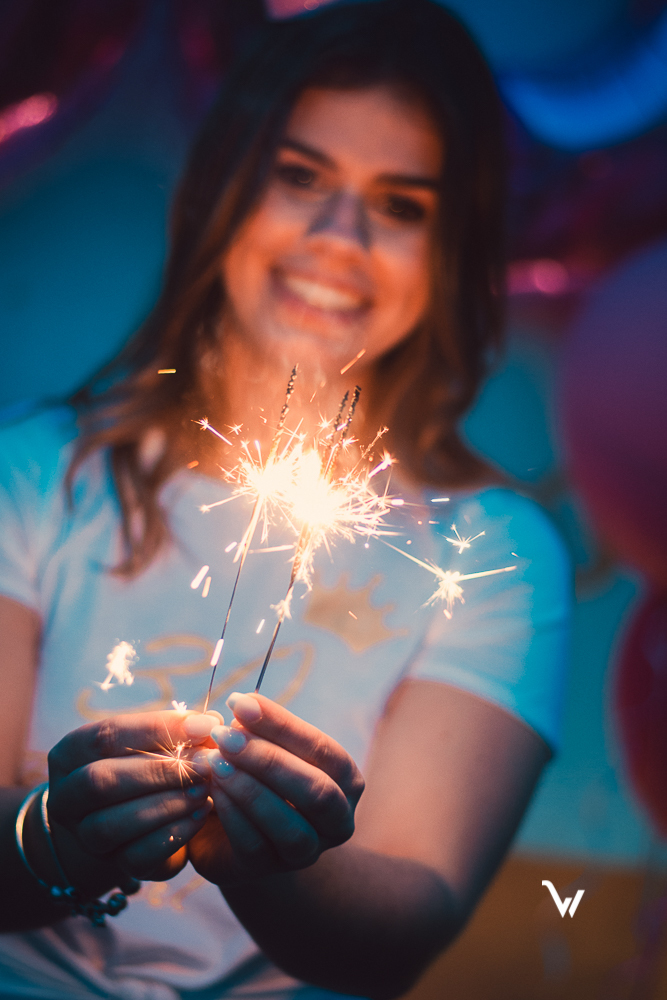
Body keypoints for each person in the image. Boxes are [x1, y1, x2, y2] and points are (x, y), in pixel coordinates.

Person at [0, 2, 570, 998]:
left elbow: (405, 925)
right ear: (227, 187)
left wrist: (273, 863)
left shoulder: (494, 554)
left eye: (401, 204)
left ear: (452, 251)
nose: (336, 237)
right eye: (299, 175)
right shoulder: (39, 472)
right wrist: (63, 835)